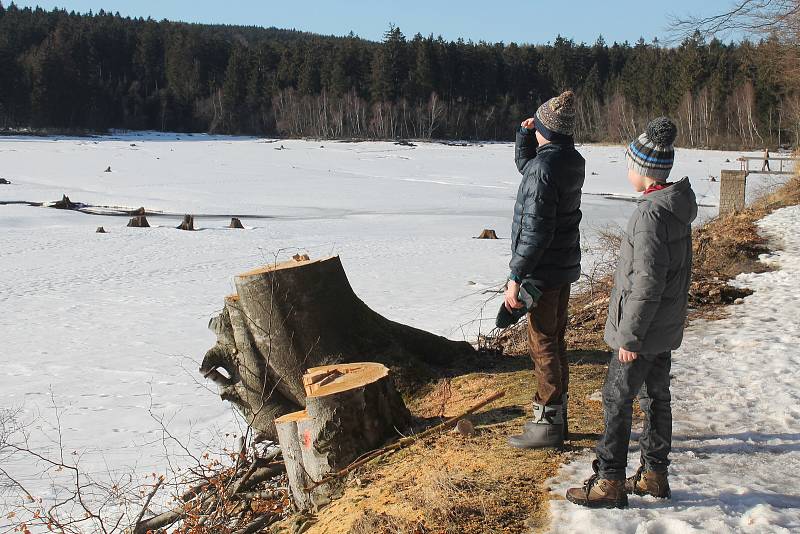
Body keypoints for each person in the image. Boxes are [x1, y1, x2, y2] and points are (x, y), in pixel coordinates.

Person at [566, 117, 697, 509]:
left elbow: (646, 283)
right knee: (657, 397)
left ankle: (610, 481)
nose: (626, 172)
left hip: (642, 331)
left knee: (616, 397)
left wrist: (630, 337)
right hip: (664, 328)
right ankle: (655, 475)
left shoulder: (650, 216)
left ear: (642, 172)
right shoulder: (675, 207)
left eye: (629, 165)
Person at [505, 90, 585, 449]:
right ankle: (558, 417)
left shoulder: (545, 168)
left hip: (543, 271)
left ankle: (548, 422)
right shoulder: (568, 160)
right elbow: (529, 166)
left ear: (547, 131)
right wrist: (526, 134)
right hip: (561, 266)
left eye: (537, 125)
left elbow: (535, 230)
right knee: (554, 340)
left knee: (542, 345)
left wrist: (516, 276)